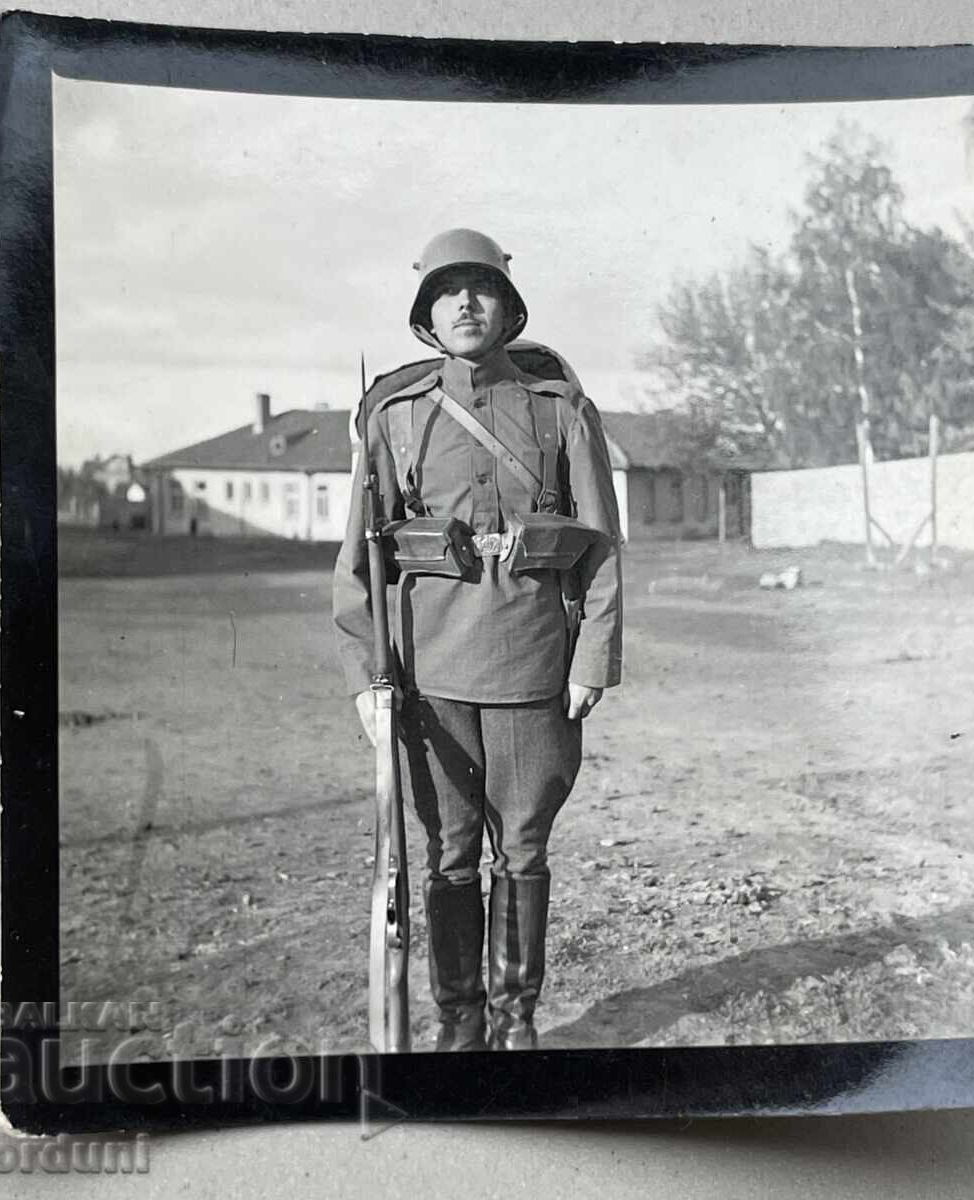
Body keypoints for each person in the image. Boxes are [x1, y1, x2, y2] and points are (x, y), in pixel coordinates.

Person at [333, 229, 623, 1052]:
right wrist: (366, 676)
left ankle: (515, 1019)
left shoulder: (560, 411)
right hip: (431, 676)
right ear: (426, 313)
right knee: (450, 853)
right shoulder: (395, 415)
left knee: (523, 850)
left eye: (481, 288)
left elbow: (600, 547)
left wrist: (592, 658)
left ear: (507, 306)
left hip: (535, 668)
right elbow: (358, 561)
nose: (465, 304)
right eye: (447, 292)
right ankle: (460, 1024)